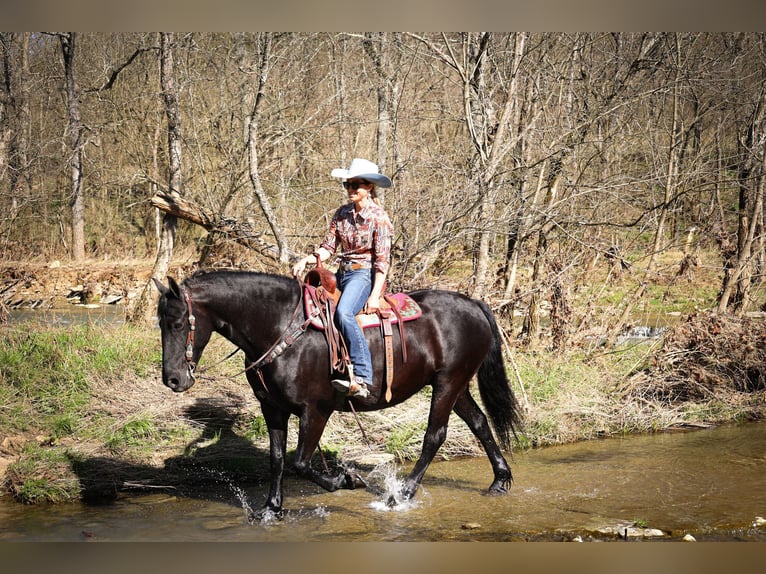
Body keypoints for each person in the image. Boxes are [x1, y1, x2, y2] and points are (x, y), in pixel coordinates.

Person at [292, 158, 393, 399]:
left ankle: (363, 376)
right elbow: (329, 247)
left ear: (368, 187)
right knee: (314, 308)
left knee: (344, 313)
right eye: (347, 185)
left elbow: (382, 261)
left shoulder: (379, 218)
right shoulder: (342, 213)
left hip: (364, 275)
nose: (350, 189)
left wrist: (375, 295)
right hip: (342, 273)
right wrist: (308, 259)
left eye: (355, 185)